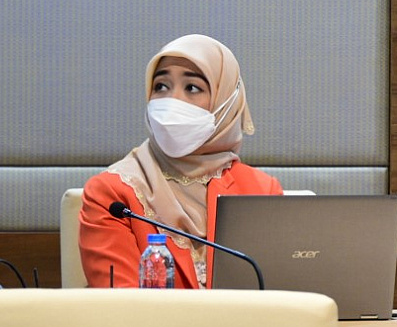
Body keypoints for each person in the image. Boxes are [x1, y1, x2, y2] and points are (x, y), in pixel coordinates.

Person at [79, 34, 282, 289]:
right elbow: (123, 303)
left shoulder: (261, 191)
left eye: (192, 88)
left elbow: (278, 294)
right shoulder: (112, 195)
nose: (172, 100)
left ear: (226, 102)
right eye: (161, 86)